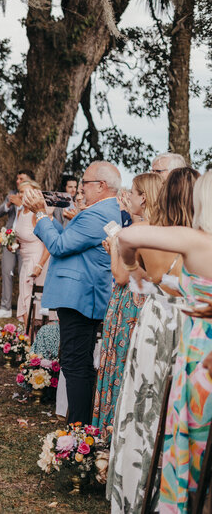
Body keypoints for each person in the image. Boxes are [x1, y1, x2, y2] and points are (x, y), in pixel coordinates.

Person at [115, 170, 212, 513]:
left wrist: (128, 260)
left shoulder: (196, 240)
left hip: (198, 359)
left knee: (186, 447)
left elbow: (126, 236)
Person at [22, 160, 122, 425]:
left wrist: (41, 214)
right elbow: (65, 241)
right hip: (82, 295)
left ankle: (79, 428)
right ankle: (83, 425)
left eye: (85, 183)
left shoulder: (97, 214)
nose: (81, 188)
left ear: (101, 186)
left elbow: (58, 246)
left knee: (75, 364)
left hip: (79, 297)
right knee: (78, 362)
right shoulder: (101, 211)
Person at [91, 172, 161, 434]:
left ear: (143, 198)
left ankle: (109, 432)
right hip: (149, 303)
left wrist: (113, 250)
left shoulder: (133, 232)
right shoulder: (163, 229)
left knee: (119, 363)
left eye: (132, 192)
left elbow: (121, 277)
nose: (128, 197)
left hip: (128, 304)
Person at [0, 169, 34, 319]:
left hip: (26, 242)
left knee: (24, 274)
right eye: (17, 178)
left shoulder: (33, 197)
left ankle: (24, 307)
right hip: (10, 238)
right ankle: (5, 307)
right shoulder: (11, 194)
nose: (17, 181)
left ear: (29, 181)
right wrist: (9, 203)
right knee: (7, 271)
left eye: (21, 178)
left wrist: (21, 204)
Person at [14, 180, 51, 324]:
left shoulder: (37, 215)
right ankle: (26, 337)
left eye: (26, 192)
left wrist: (40, 265)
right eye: (21, 192)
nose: (22, 195)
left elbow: (49, 243)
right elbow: (21, 237)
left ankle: (32, 338)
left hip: (36, 260)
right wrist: (13, 245)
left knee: (30, 298)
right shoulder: (20, 213)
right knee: (24, 297)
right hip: (24, 259)